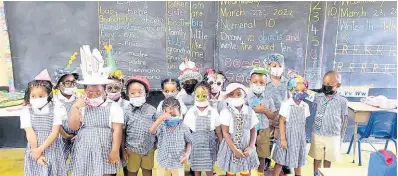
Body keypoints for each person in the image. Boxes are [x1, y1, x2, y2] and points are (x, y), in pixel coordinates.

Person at [68, 45, 123, 176]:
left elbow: (117, 130)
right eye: (90, 92)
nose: (93, 95)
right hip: (84, 147)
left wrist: (115, 150)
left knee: (106, 172)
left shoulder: (113, 107)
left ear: (104, 91)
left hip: (105, 146)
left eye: (97, 92)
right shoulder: (80, 105)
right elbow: (74, 127)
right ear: (85, 91)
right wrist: (75, 107)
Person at [21, 69, 67, 176]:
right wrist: (36, 153)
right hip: (34, 147)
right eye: (33, 96)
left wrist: (41, 148)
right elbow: (30, 132)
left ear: (49, 96)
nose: (37, 98)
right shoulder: (26, 112)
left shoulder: (56, 109)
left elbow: (55, 133)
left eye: (41, 96)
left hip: (52, 147)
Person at [309, 71, 348, 176]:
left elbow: (344, 119)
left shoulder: (342, 101)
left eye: (330, 85)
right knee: (317, 158)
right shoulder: (318, 97)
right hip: (317, 133)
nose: (326, 86)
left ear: (338, 85)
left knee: (328, 159)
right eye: (324, 84)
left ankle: (325, 174)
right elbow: (313, 111)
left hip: (333, 135)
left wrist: (341, 137)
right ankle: (316, 174)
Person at [217, 83, 259, 176]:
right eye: (231, 94)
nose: (235, 97)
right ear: (228, 97)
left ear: (244, 96)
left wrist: (251, 147)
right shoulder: (225, 112)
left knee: (245, 171)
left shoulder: (250, 111)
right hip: (231, 147)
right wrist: (235, 150)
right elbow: (225, 133)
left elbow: (253, 130)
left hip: (246, 146)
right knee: (231, 171)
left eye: (239, 94)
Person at [272, 75, 310, 176]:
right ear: (291, 90)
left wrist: (302, 138)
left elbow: (303, 123)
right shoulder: (286, 104)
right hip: (287, 136)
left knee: (298, 162)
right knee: (280, 161)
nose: (300, 92)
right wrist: (283, 139)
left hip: (299, 138)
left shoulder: (305, 106)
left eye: (303, 90)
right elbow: (281, 121)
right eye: (296, 90)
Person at [183, 81, 222, 176]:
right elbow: (185, 130)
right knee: (197, 168)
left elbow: (218, 130)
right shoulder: (191, 111)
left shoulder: (213, 111)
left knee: (209, 167)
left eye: (204, 96)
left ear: (209, 95)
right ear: (195, 95)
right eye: (198, 95)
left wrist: (222, 144)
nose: (201, 98)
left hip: (209, 145)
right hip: (195, 145)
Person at [121, 75, 157, 176]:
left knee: (147, 171)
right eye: (132, 93)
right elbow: (122, 132)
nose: (136, 95)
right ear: (128, 94)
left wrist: (156, 144)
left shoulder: (152, 110)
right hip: (131, 150)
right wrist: (123, 150)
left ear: (146, 93)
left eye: (140, 92)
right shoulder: (125, 111)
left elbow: (158, 128)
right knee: (132, 172)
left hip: (149, 149)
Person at [149, 97, 193, 176]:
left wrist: (187, 154)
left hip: (178, 162)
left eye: (174, 114)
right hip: (163, 162)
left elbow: (189, 141)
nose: (171, 117)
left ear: (180, 112)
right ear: (163, 113)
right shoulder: (161, 125)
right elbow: (152, 130)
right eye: (169, 114)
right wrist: (161, 118)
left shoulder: (183, 127)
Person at [246, 67, 277, 176]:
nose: (258, 84)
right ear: (250, 82)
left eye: (261, 82)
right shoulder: (246, 97)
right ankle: (248, 173)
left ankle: (260, 173)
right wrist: (255, 109)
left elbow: (273, 116)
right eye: (255, 82)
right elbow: (241, 112)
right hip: (249, 130)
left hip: (264, 130)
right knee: (248, 153)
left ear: (266, 84)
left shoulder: (268, 98)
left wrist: (265, 110)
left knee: (262, 155)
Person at [52, 52, 80, 166]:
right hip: (59, 136)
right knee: (59, 164)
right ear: (59, 85)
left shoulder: (80, 99)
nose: (72, 85)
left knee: (78, 164)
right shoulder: (53, 101)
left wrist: (79, 135)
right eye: (68, 83)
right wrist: (65, 135)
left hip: (78, 137)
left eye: (73, 82)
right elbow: (54, 122)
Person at [264, 53, 290, 173]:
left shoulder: (287, 82)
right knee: (267, 139)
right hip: (267, 114)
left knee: (281, 138)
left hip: (282, 115)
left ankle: (282, 161)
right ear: (269, 66)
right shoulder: (264, 80)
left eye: (279, 65)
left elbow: (290, 98)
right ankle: (266, 159)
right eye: (274, 65)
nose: (277, 68)